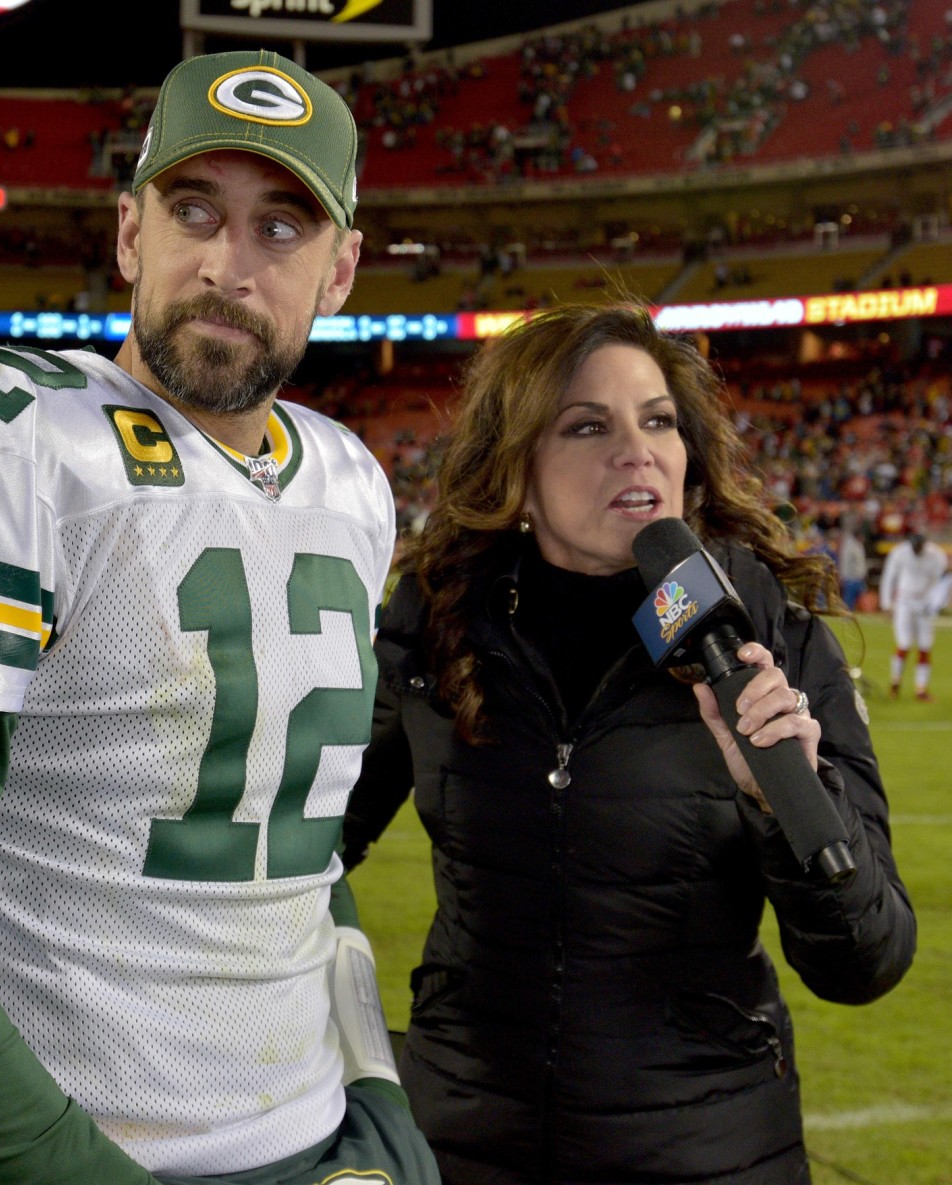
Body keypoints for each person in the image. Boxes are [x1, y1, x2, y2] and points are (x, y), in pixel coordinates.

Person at [0, 50, 438, 1185]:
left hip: (314, 1144)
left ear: (342, 272)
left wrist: (374, 1096)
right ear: (132, 233)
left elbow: (304, 852)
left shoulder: (351, 482)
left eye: (281, 227)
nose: (231, 265)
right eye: (195, 211)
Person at [342, 304, 916, 1185]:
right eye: (586, 426)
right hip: (463, 1140)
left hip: (709, 1149)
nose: (637, 449)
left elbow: (865, 960)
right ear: (518, 470)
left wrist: (783, 798)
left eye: (657, 420)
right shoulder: (437, 619)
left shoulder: (767, 635)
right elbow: (311, 841)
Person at [879, 523, 948, 700]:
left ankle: (921, 689)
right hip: (904, 601)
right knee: (904, 643)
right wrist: (887, 604)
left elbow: (942, 581)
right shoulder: (900, 553)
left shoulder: (936, 555)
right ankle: (895, 683)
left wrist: (937, 603)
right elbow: (889, 577)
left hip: (925, 603)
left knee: (925, 645)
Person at [837, 511, 868, 611]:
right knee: (848, 600)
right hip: (851, 578)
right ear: (858, 536)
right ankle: (845, 615)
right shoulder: (849, 546)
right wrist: (843, 576)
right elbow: (845, 561)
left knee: (862, 601)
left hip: (859, 578)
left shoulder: (859, 546)